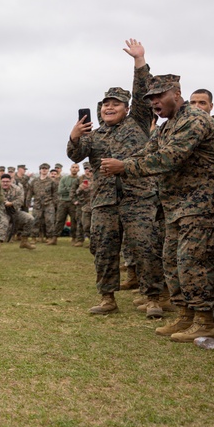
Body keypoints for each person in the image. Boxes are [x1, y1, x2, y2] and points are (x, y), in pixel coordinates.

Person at [104, 73, 214, 341]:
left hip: (203, 204)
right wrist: (121, 162)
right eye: (150, 98)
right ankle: (185, 317)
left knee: (193, 262)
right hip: (176, 206)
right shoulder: (166, 126)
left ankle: (205, 321)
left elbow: (169, 158)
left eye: (159, 96)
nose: (154, 102)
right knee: (172, 262)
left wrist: (124, 167)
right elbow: (147, 153)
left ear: (176, 93)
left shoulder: (194, 119)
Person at [68, 39, 165, 317]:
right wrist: (74, 136)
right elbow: (75, 155)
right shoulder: (93, 134)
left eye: (115, 104)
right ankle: (107, 298)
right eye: (105, 105)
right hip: (104, 202)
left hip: (138, 198)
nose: (109, 108)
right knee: (104, 250)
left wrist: (139, 60)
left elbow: (143, 90)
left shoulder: (136, 122)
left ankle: (153, 298)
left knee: (146, 248)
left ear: (126, 108)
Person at [1, 174, 37, 249]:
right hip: (1, 212)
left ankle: (24, 241)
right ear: (0, 182)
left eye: (7, 181)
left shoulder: (17, 189)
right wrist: (5, 202)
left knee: (30, 219)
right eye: (3, 181)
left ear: (11, 181)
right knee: (3, 222)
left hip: (15, 211)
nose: (5, 183)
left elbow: (20, 200)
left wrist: (11, 203)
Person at [30, 163, 57, 244]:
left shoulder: (51, 181)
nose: (44, 170)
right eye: (42, 168)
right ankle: (34, 237)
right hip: (37, 204)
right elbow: (30, 192)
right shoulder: (34, 181)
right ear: (40, 170)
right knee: (35, 220)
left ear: (48, 170)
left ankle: (49, 237)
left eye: (46, 168)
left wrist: (55, 203)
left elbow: (55, 193)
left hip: (48, 203)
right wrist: (27, 201)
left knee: (49, 221)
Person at [55, 164, 81, 245]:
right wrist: (73, 190)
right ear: (70, 169)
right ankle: (54, 238)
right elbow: (60, 191)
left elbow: (80, 192)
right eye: (73, 167)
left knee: (74, 221)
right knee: (59, 220)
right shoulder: (64, 178)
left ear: (78, 170)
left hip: (74, 203)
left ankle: (74, 238)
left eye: (76, 168)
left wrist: (67, 189)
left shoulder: (80, 179)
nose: (74, 169)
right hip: (63, 201)